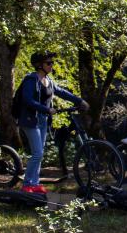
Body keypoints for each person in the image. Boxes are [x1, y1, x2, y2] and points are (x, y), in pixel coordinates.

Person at [18, 51, 89, 194]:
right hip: (30, 120)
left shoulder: (49, 81)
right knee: (37, 153)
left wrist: (79, 100)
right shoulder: (31, 80)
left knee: (40, 152)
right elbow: (27, 100)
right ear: (39, 65)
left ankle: (35, 183)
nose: (52, 65)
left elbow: (62, 92)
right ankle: (27, 184)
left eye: (52, 62)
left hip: (42, 120)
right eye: (48, 63)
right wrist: (46, 109)